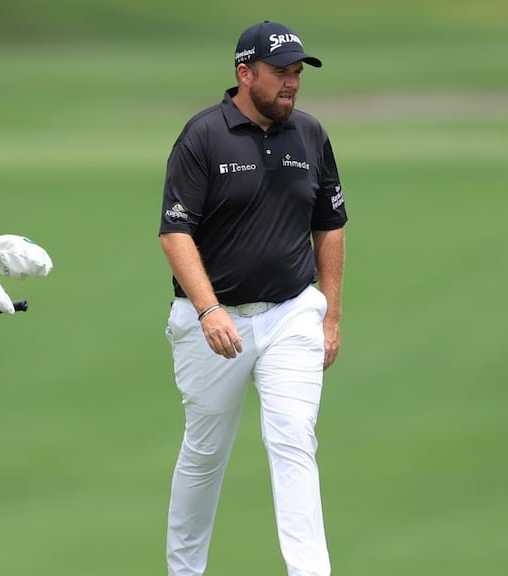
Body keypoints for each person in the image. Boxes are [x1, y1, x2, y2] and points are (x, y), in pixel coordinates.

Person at [158, 21, 347, 576]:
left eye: (296, 74)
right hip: (214, 325)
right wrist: (208, 308)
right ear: (245, 74)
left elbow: (330, 225)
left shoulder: (310, 135)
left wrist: (330, 314)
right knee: (205, 454)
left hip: (292, 313)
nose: (291, 84)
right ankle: (184, 571)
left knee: (293, 440)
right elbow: (175, 232)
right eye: (280, 73)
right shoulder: (203, 136)